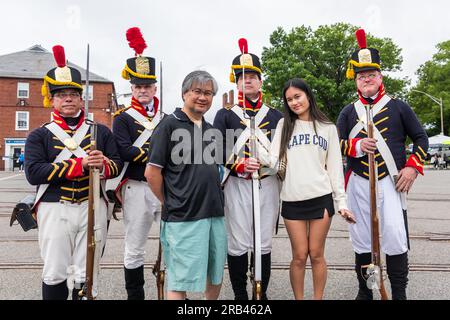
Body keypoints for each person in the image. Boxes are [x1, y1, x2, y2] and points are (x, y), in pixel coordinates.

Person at [24, 45, 122, 300]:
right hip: (55, 208)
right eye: (61, 94)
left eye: (73, 93)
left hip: (92, 207)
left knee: (86, 273)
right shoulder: (40, 135)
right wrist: (79, 166)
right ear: (52, 99)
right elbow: (34, 173)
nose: (68, 98)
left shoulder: (101, 131)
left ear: (81, 98)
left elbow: (117, 164)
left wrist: (103, 164)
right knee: (55, 272)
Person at [337, 29, 428, 300]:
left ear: (380, 77)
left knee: (396, 238)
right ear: (356, 80)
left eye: (371, 75)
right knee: (362, 240)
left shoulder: (399, 107)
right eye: (362, 76)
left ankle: (399, 293)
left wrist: (412, 166)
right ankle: (365, 290)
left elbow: (421, 138)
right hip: (358, 182)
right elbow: (335, 144)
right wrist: (354, 146)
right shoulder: (348, 111)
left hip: (390, 180)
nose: (367, 79)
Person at [257, 78, 356, 299]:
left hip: (320, 198)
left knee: (317, 254)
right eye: (289, 99)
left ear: (308, 96)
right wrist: (255, 146)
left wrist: (342, 203)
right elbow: (273, 161)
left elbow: (335, 169)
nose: (294, 102)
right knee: (300, 256)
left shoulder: (328, 128)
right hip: (292, 199)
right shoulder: (284, 125)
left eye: (297, 96)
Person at [145, 70, 227, 300]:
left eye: (208, 93)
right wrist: (170, 200)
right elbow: (152, 172)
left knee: (215, 273)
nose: (203, 97)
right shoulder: (168, 125)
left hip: (214, 212)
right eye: (197, 91)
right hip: (184, 215)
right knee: (180, 278)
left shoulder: (211, 130)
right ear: (184, 93)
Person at [213, 38, 283, 300]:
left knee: (263, 240)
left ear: (260, 80)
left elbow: (283, 151)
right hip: (237, 183)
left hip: (267, 182)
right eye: (242, 77)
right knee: (238, 242)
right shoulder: (226, 115)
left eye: (252, 76)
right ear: (236, 82)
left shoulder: (275, 115)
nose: (248, 81)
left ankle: (261, 292)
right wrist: (239, 164)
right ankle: (241, 294)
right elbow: (215, 150)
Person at [111, 27, 162, 300]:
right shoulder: (122, 118)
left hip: (164, 187)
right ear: (131, 88)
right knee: (135, 247)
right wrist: (157, 154)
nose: (143, 90)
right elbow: (124, 150)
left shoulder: (166, 117)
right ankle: (136, 296)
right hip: (136, 186)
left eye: (147, 86)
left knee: (173, 243)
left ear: (155, 87)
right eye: (138, 86)